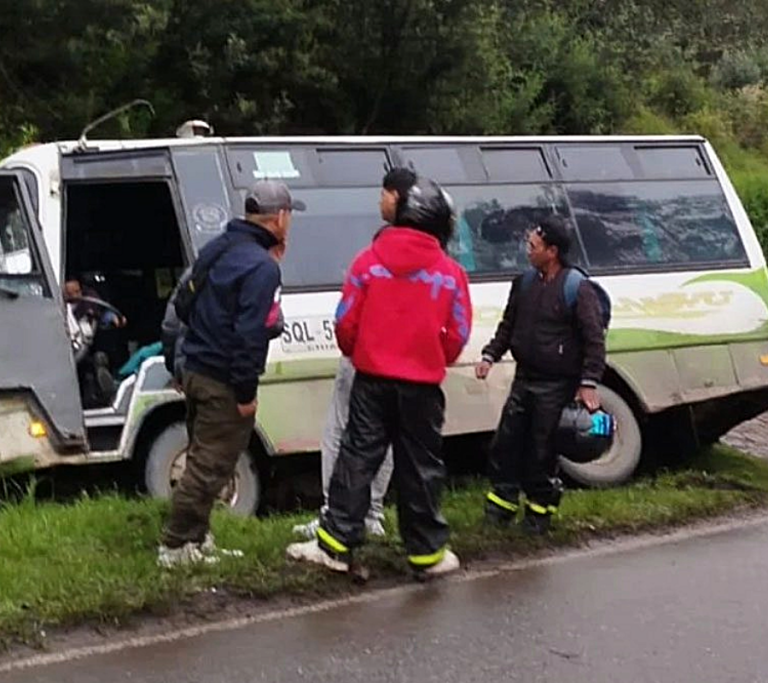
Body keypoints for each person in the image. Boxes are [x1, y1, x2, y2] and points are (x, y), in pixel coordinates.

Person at [287, 177, 472, 578]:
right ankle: (427, 555)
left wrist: (363, 353)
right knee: (420, 466)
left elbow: (345, 322)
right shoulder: (450, 273)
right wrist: (429, 359)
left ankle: (335, 545)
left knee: (356, 457)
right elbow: (458, 333)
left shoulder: (367, 262)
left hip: (371, 380)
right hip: (422, 388)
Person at [157, 180, 304, 568]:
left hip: (195, 367)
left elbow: (184, 302)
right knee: (210, 467)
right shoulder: (261, 267)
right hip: (224, 379)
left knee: (201, 457)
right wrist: (245, 392)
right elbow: (251, 335)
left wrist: (201, 339)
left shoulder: (218, 247)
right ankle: (173, 547)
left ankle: (197, 540)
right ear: (281, 218)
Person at [291, 168, 419, 541]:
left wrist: (350, 345)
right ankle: (373, 515)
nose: (378, 201)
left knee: (341, 431)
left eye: (382, 193)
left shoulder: (379, 250)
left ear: (396, 196)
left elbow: (351, 312)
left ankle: (335, 512)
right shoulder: (430, 246)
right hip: (405, 360)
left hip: (366, 356)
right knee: (389, 437)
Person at [476, 215, 606, 535]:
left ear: (552, 251)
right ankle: (501, 507)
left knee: (541, 450)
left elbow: (593, 340)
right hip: (525, 379)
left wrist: (588, 383)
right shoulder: (524, 283)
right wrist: (490, 355)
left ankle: (539, 513)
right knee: (505, 443)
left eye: (533, 246)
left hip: (557, 385)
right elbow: (508, 326)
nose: (527, 251)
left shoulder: (578, 288)